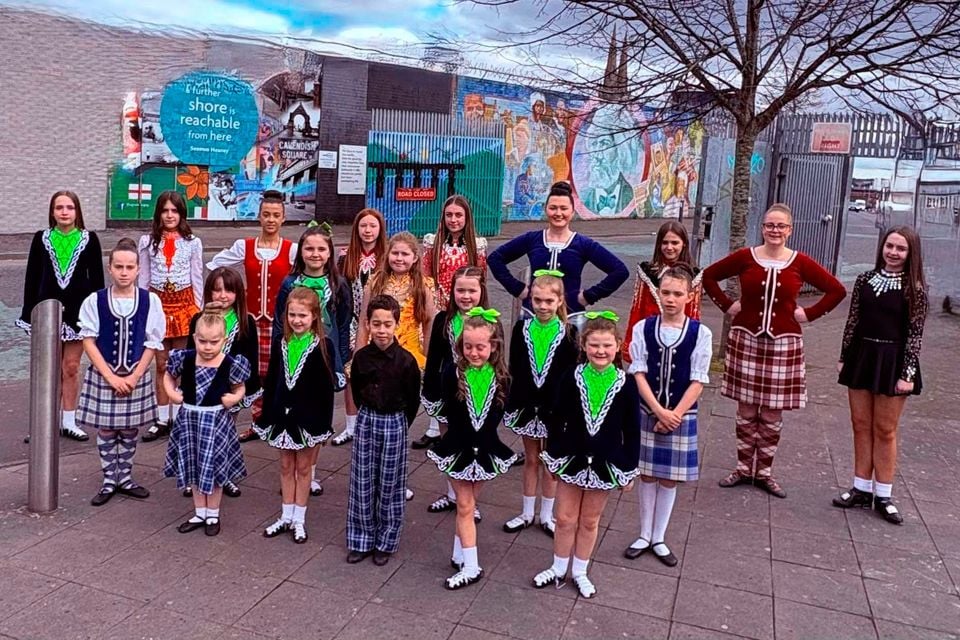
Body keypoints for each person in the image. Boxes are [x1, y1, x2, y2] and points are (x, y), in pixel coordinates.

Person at [702, 203, 846, 498]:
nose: (775, 231)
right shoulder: (746, 257)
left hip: (784, 343)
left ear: (790, 230)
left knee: (770, 412)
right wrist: (728, 307)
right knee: (745, 409)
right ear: (762, 228)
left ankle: (763, 473)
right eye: (770, 225)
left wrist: (810, 313)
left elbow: (837, 290)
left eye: (781, 226)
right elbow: (708, 276)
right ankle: (743, 468)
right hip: (746, 340)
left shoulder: (800, 262)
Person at [533, 312, 640, 598]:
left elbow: (632, 429)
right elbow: (557, 419)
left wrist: (629, 467)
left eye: (606, 345)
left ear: (618, 345)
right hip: (571, 458)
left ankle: (579, 571)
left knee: (590, 521)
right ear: (583, 345)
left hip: (606, 462)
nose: (600, 351)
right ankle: (558, 567)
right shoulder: (572, 376)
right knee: (565, 517)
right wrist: (553, 457)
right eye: (594, 345)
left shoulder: (627, 384)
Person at [833, 226, 927, 525]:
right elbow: (853, 321)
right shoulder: (864, 280)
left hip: (894, 361)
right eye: (890, 246)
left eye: (901, 249)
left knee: (885, 430)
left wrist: (907, 373)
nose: (894, 253)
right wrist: (844, 356)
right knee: (860, 424)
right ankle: (861, 488)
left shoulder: (916, 289)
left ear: (910, 254)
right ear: (882, 247)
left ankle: (884, 494)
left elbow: (915, 335)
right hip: (862, 357)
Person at [625, 266, 712, 565]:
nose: (671, 299)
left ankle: (659, 537)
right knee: (647, 474)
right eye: (665, 293)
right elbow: (638, 372)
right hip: (649, 410)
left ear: (689, 296)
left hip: (681, 414)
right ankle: (644, 534)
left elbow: (698, 380)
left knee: (669, 479)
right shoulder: (643, 328)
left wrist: (674, 414)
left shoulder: (701, 332)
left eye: (677, 293)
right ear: (658, 293)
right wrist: (658, 410)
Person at [427, 308, 518, 590]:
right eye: (468, 347)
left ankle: (460, 553)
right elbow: (449, 413)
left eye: (480, 347)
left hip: (487, 450)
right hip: (457, 447)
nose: (474, 352)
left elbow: (498, 415)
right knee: (464, 506)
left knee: (468, 506)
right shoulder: (451, 374)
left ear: (494, 346)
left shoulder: (503, 378)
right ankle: (471, 565)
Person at [76, 238, 166, 507]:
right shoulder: (96, 300)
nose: (124, 272)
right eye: (119, 267)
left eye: (129, 267)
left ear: (138, 269)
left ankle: (125, 477)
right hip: (105, 374)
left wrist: (135, 376)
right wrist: (111, 376)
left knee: (128, 430)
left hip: (135, 374)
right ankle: (108, 479)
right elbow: (88, 341)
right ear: (110, 268)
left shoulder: (150, 301)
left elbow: (153, 342)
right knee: (106, 429)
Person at [206, 190, 297, 442]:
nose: (270, 219)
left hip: (279, 322)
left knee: (279, 372)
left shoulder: (291, 250)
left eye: (276, 215)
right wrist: (231, 289)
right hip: (252, 321)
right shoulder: (244, 246)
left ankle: (275, 420)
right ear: (259, 216)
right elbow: (215, 265)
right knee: (254, 372)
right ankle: (258, 422)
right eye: (266, 214)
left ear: (283, 218)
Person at [257, 288, 344, 544]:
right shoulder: (279, 343)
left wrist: (322, 424)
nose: (297, 320)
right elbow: (272, 381)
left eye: (303, 316)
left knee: (304, 467)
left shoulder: (323, 345)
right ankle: (285, 515)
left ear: (314, 317)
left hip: (308, 418)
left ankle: (299, 519)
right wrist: (268, 414)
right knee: (285, 465)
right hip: (282, 416)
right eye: (292, 315)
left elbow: (325, 390)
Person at [354, 232, 437, 500]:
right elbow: (364, 321)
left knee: (400, 422)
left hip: (407, 356)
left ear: (415, 259)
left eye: (405, 254)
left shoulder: (423, 284)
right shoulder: (376, 281)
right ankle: (372, 477)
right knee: (374, 413)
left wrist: (428, 358)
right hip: (375, 354)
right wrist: (358, 354)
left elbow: (429, 323)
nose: (399, 258)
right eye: (395, 253)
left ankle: (398, 479)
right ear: (387, 255)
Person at [18, 191, 104, 441]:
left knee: (71, 367)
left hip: (78, 312)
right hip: (47, 310)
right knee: (49, 369)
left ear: (77, 211)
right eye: (59, 207)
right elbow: (32, 277)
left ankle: (69, 420)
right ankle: (46, 422)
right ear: (52, 212)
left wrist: (97, 313)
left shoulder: (90, 239)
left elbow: (97, 279)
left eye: (69, 207)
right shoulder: (41, 239)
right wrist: (29, 311)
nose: (64, 212)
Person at [273, 227, 352, 496]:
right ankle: (291, 469)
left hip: (325, 359)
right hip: (293, 359)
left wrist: (342, 361)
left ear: (329, 253)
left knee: (318, 415)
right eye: (309, 249)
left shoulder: (338, 284)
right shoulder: (289, 283)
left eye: (321, 249)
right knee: (293, 410)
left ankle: (310, 471)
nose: (315, 254)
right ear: (301, 252)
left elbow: (343, 323)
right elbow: (278, 322)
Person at [487, 181, 629, 329]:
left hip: (570, 317)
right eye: (553, 208)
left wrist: (588, 296)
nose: (558, 213)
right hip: (533, 315)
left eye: (564, 208)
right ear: (545, 209)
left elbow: (619, 271)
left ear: (573, 212)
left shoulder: (583, 244)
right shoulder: (532, 239)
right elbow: (495, 258)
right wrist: (519, 289)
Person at [501, 269, 578, 538]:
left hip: (554, 408)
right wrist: (512, 401)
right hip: (526, 404)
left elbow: (570, 376)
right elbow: (515, 368)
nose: (543, 306)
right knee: (531, 458)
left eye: (548, 301)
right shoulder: (521, 328)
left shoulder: (569, 333)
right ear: (530, 300)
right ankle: (526, 512)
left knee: (550, 461)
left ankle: (547, 515)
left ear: (559, 301)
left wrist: (568, 410)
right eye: (537, 300)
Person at [346, 295, 422, 566]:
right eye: (376, 324)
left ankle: (386, 541)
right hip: (368, 419)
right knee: (362, 481)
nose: (381, 330)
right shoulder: (362, 358)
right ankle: (361, 538)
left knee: (391, 484)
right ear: (368, 324)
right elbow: (356, 390)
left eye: (387, 324)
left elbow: (413, 398)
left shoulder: (406, 361)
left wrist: (401, 424)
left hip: (394, 422)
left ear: (396, 325)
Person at [162, 311, 250, 536]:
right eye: (202, 341)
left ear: (224, 340)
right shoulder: (185, 358)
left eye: (214, 342)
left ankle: (213, 514)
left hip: (216, 422)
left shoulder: (230, 363)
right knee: (193, 466)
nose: (208, 347)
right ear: (194, 337)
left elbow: (240, 386)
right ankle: (199, 511)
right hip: (190, 420)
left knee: (214, 467)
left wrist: (235, 397)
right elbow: (168, 375)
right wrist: (171, 393)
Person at [182, 267, 262, 499]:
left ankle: (223, 475)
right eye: (217, 290)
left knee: (225, 434)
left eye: (229, 290)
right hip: (201, 391)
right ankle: (195, 477)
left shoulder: (246, 321)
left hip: (229, 390)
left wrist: (244, 388)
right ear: (208, 293)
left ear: (239, 293)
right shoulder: (199, 318)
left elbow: (250, 358)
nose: (223, 295)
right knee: (198, 435)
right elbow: (189, 353)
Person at [422, 267, 489, 522]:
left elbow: (497, 364)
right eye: (460, 290)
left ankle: (471, 501)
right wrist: (430, 391)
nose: (466, 296)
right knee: (448, 444)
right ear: (452, 292)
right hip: (447, 394)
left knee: (473, 447)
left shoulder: (490, 323)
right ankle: (452, 494)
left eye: (472, 290)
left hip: (478, 396)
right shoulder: (443, 319)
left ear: (481, 291)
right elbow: (434, 359)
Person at [138, 191, 204, 443]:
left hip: (184, 306)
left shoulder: (192, 242)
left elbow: (197, 277)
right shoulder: (147, 241)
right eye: (165, 211)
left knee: (182, 365)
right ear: (158, 213)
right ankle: (161, 418)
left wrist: (199, 311)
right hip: (158, 307)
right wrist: (142, 309)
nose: (169, 215)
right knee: (162, 364)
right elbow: (143, 278)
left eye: (174, 211)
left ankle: (179, 416)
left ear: (181, 214)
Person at [332, 208, 388, 446]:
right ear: (356, 229)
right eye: (363, 226)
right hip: (353, 320)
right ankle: (351, 426)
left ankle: (376, 423)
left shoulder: (387, 257)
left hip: (381, 323)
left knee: (381, 372)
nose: (367, 231)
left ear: (380, 230)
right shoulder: (346, 257)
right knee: (350, 372)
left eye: (372, 226)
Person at [622, 221, 703, 364]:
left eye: (674, 243)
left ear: (684, 244)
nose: (669, 247)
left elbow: (693, 313)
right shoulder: (647, 271)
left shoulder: (694, 274)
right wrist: (632, 342)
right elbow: (637, 309)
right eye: (665, 242)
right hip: (649, 337)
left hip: (679, 338)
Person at [421, 195, 488, 313]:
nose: (453, 220)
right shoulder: (432, 243)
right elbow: (426, 279)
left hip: (466, 307)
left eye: (458, 215)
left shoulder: (477, 246)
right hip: (437, 309)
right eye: (449, 215)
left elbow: (481, 282)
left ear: (467, 217)